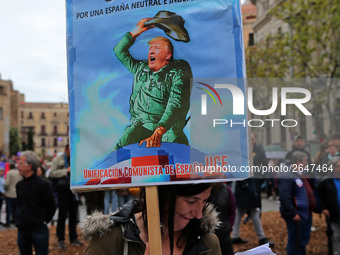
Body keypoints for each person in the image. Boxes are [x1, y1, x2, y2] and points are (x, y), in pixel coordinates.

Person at [113, 17, 192, 149]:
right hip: (141, 125)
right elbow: (119, 51)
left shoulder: (179, 70)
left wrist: (159, 131)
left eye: (156, 48)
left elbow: (175, 103)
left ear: (168, 55)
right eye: (150, 48)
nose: (151, 51)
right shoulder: (140, 68)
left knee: (175, 156)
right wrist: (137, 31)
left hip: (167, 128)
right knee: (119, 151)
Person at [82, 183, 221, 255]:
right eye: (191, 201)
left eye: (204, 201)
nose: (198, 214)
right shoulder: (111, 240)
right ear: (163, 194)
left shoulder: (208, 243)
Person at [231, 133, 274, 247]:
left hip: (254, 184)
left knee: (241, 212)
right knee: (253, 211)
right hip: (244, 186)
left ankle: (235, 235)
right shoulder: (240, 152)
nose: (251, 141)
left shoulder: (259, 150)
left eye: (253, 139)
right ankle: (261, 237)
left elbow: (264, 164)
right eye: (249, 139)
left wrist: (261, 178)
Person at [16, 151, 56, 255]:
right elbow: (20, 204)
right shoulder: (19, 185)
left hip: (39, 230)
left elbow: (52, 206)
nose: (18, 165)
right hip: (23, 230)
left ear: (29, 166)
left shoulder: (43, 185)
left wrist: (43, 221)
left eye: (20, 163)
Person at [278, 151, 317, 255]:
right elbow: (284, 197)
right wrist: (293, 213)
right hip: (296, 216)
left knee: (302, 241)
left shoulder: (302, 174)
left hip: (306, 214)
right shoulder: (287, 175)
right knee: (295, 242)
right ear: (298, 161)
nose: (307, 163)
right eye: (305, 161)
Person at [49, 144, 83, 249]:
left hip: (74, 190)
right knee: (62, 215)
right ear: (66, 149)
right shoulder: (58, 159)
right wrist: (65, 171)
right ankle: (61, 239)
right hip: (63, 190)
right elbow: (52, 173)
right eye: (70, 150)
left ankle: (73, 237)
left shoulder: (76, 159)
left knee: (74, 215)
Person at [317, 157, 340, 255]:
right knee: (335, 237)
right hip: (334, 216)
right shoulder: (326, 181)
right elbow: (319, 196)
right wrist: (323, 208)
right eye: (338, 166)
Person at [211, 183, 236, 255]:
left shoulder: (226, 189)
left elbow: (232, 210)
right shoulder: (203, 189)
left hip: (224, 232)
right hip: (207, 233)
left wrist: (229, 226)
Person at [4, 161, 22, 227]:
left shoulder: (9, 173)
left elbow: (7, 183)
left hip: (10, 193)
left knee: (9, 209)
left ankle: (8, 222)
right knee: (16, 209)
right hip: (17, 193)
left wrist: (5, 189)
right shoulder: (18, 173)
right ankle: (16, 221)